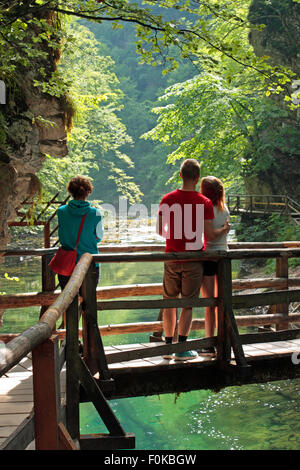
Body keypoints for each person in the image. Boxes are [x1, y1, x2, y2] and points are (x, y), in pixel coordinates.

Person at [157, 159, 230, 361]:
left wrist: (176, 234)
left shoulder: (167, 199)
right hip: (193, 259)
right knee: (188, 304)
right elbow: (208, 233)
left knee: (169, 303)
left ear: (180, 175)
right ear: (197, 178)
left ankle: (167, 349)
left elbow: (159, 231)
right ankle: (182, 349)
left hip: (171, 257)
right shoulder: (204, 202)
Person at [200, 176, 230, 355]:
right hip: (223, 256)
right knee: (221, 301)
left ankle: (209, 341)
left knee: (210, 302)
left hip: (210, 256)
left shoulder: (207, 207)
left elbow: (210, 236)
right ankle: (222, 338)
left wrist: (223, 230)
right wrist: (225, 230)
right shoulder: (224, 207)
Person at [56, 175, 103, 290]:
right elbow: (99, 237)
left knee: (67, 301)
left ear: (70, 191)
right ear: (88, 192)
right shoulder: (95, 213)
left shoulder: (61, 211)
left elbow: (62, 233)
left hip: (67, 263)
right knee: (89, 302)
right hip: (89, 263)